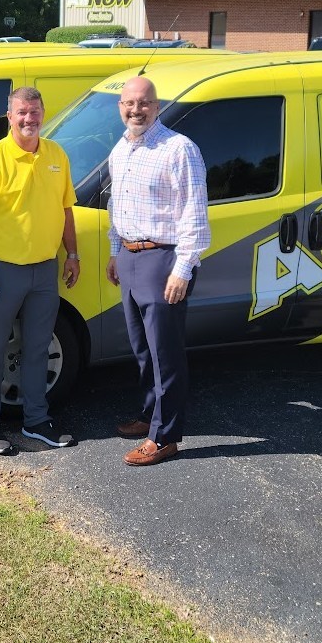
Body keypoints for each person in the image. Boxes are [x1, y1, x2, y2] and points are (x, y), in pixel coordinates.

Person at [0, 86, 80, 454]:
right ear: (9, 117)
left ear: (43, 112)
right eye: (22, 113)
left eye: (35, 111)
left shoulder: (57, 154)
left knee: (38, 348)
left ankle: (36, 422)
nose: (29, 118)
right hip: (3, 270)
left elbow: (65, 210)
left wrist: (72, 254)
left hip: (45, 269)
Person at [106, 75, 210, 466]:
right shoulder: (121, 149)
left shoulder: (178, 149)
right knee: (142, 350)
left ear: (157, 106)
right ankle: (151, 416)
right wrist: (116, 252)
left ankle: (165, 437)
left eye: (144, 103)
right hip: (131, 258)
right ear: (120, 107)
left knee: (165, 353)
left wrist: (183, 269)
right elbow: (119, 207)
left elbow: (195, 214)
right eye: (129, 103)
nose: (136, 110)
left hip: (163, 260)